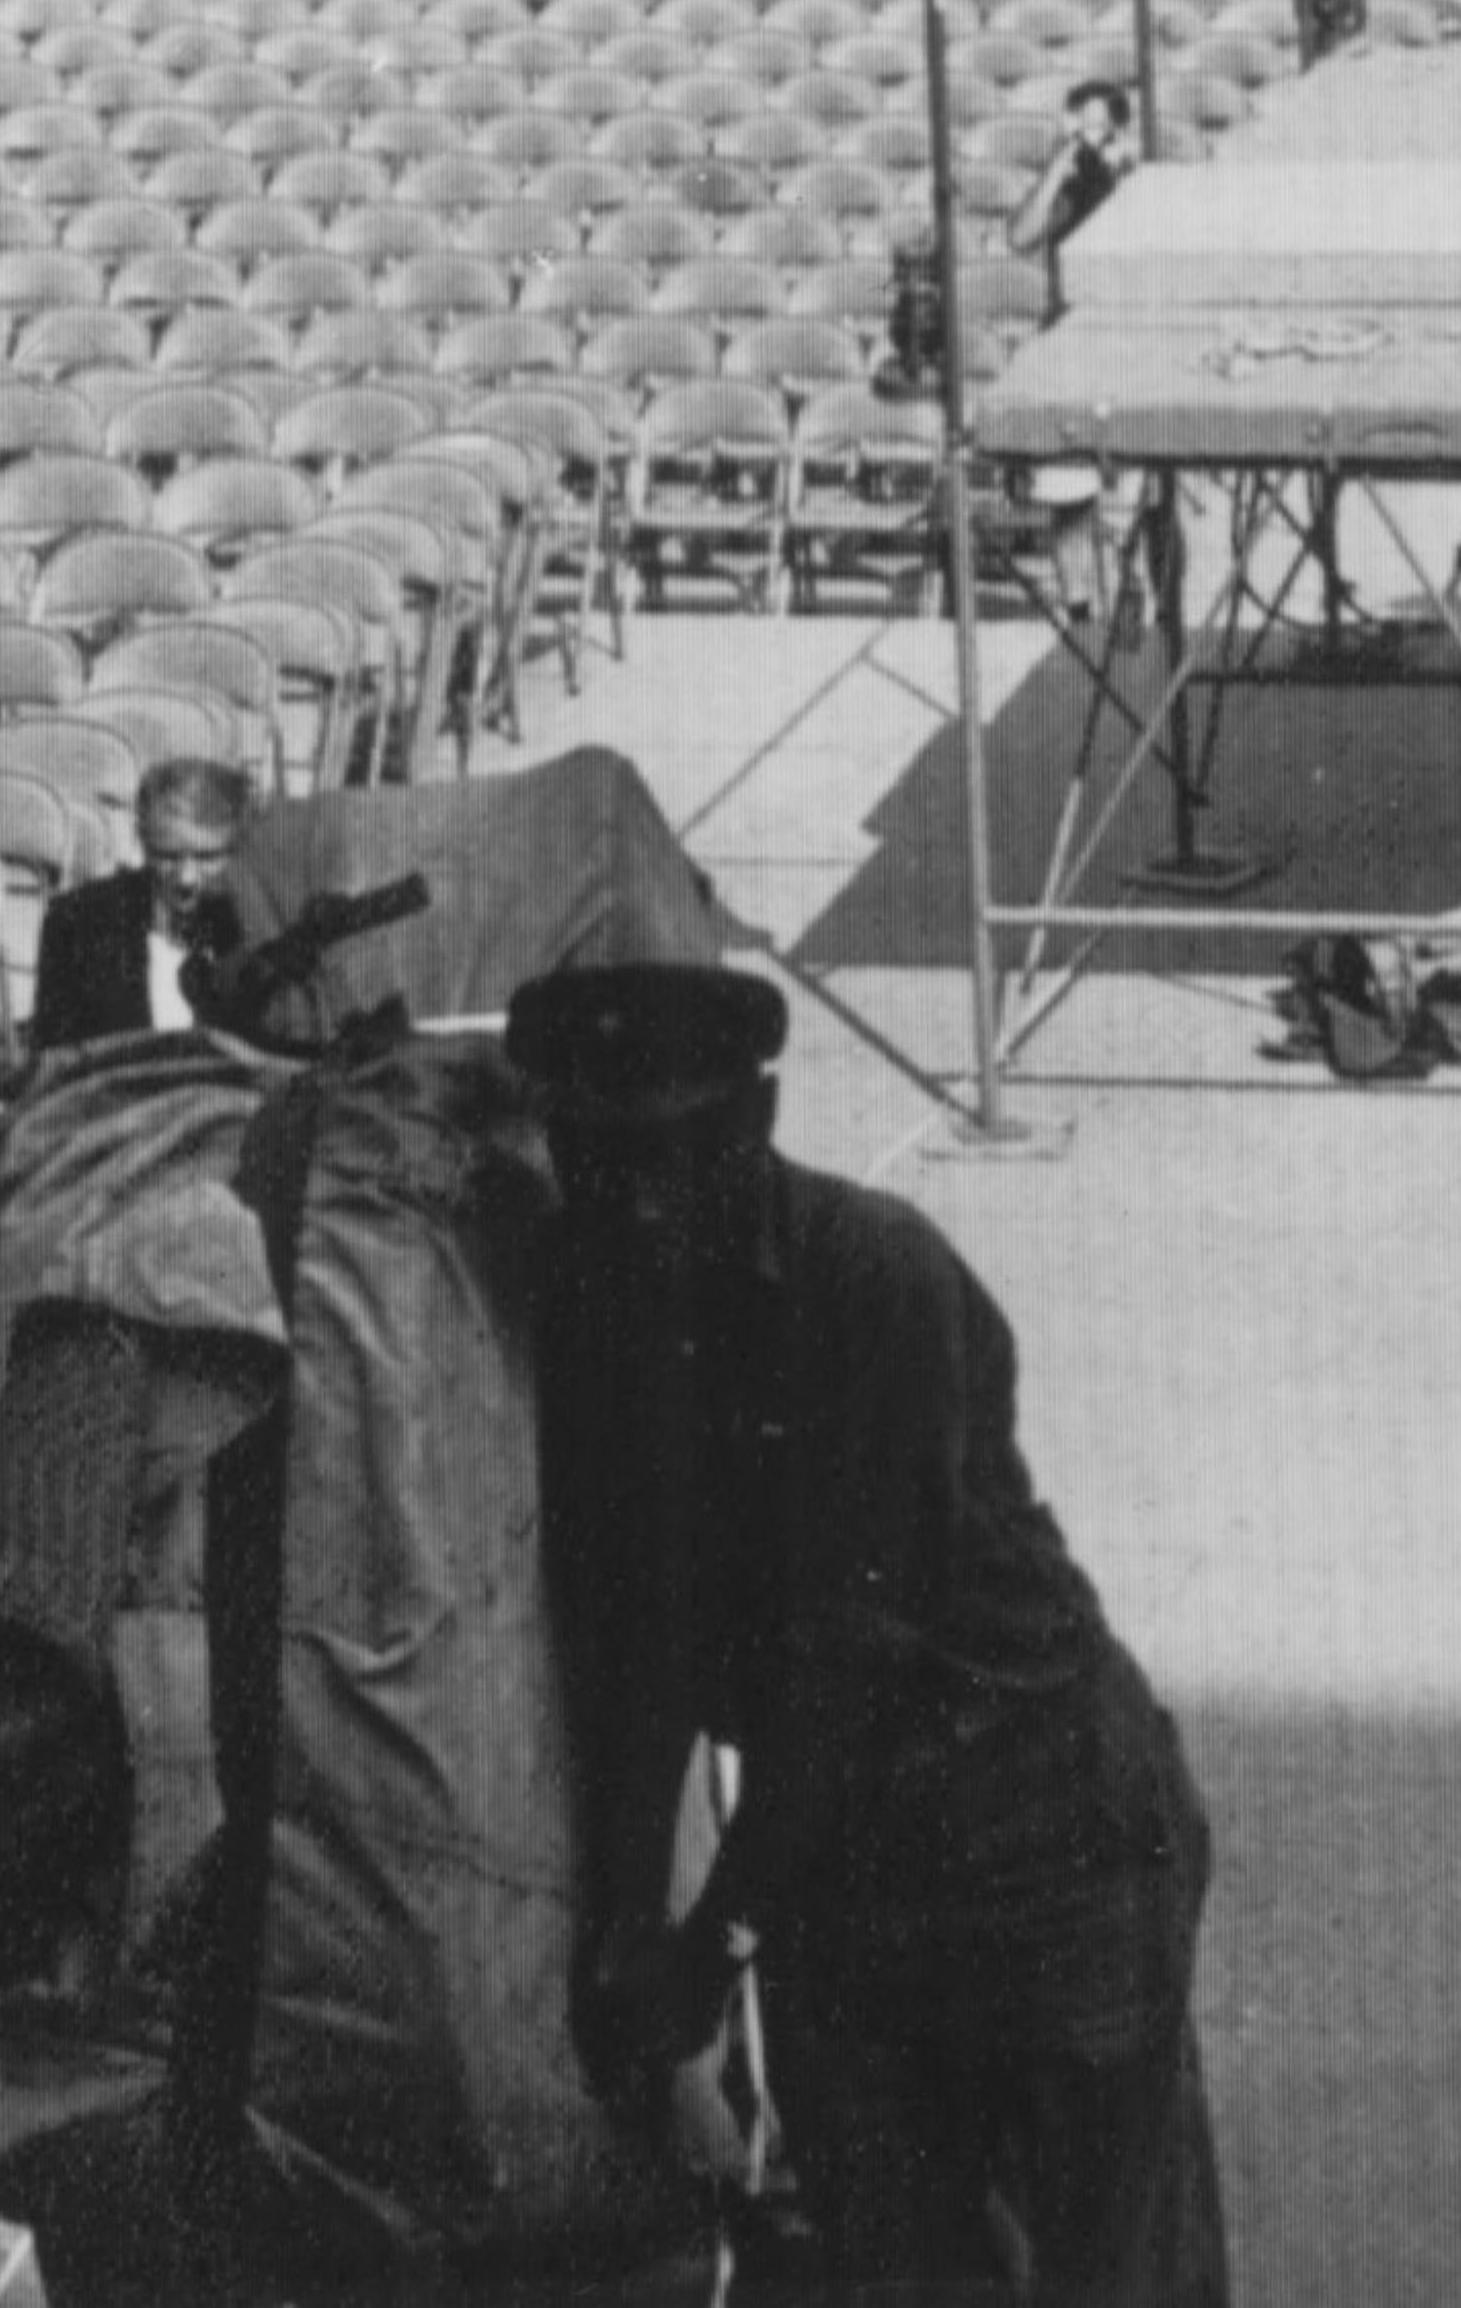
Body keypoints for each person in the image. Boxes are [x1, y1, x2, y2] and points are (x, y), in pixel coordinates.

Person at [508, 967, 1228, 2308]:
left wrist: (706, 1951)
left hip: (1044, 1847)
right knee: (893, 2269)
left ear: (761, 1115)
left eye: (679, 1152)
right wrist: (620, 1919)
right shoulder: (596, 1311)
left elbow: (849, 1652)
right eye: (601, 1159)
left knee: (1114, 2274)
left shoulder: (870, 1273)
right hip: (842, 1880)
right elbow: (646, 1636)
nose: (645, 1201)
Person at [30, 751, 252, 1051]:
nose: (186, 878)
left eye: (207, 857)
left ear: (239, 849)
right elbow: (55, 1053)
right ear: (142, 842)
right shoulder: (79, 921)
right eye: (167, 856)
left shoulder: (257, 928)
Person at [1006, 79, 1138, 300]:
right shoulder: (1065, 188)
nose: (1090, 141)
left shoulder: (1135, 179)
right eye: (1082, 129)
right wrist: (1057, 172)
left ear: (1118, 130)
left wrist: (1124, 174)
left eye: (1100, 127)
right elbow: (1020, 238)